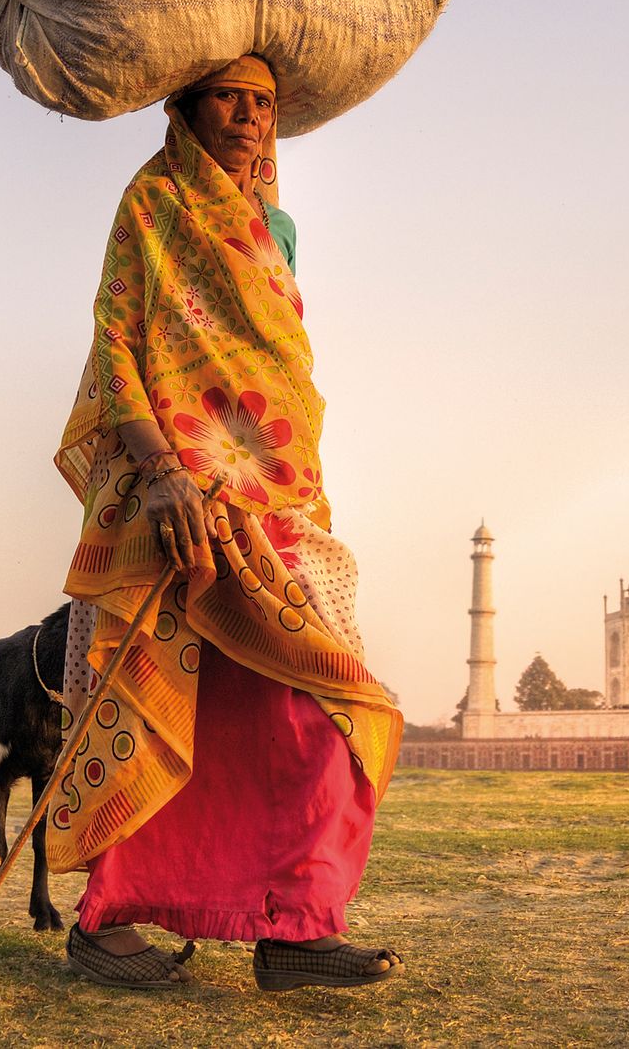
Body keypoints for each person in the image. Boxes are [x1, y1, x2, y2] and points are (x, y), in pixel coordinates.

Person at [49, 54, 403, 990]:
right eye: (227, 99)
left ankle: (294, 928)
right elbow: (119, 342)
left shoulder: (278, 228)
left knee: (321, 702)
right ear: (186, 109)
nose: (246, 117)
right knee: (155, 691)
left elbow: (273, 358)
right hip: (175, 492)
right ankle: (104, 925)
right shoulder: (152, 208)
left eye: (261, 104)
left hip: (275, 494)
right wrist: (165, 471)